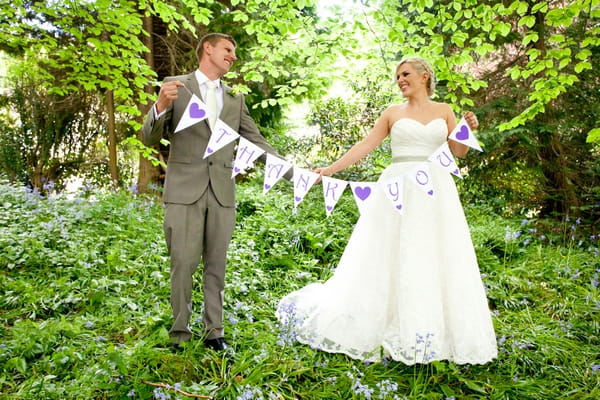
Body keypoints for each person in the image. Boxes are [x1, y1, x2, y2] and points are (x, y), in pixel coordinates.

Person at [276, 57, 497, 364]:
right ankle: (385, 318)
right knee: (389, 249)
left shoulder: (444, 111)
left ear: (424, 76)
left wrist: (465, 129)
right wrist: (330, 169)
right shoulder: (393, 113)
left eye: (405, 74)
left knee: (435, 251)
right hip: (398, 186)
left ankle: (433, 327)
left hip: (435, 185)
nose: (400, 79)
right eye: (397, 76)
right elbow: (365, 145)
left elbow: (456, 153)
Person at [142, 33, 287, 352]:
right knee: (182, 262)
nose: (233, 57)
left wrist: (293, 170)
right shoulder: (175, 85)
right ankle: (180, 332)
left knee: (216, 264)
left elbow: (256, 141)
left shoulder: (236, 97)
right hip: (183, 191)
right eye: (228, 50)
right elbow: (148, 139)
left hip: (222, 192)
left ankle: (214, 332)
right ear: (208, 49)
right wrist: (161, 104)